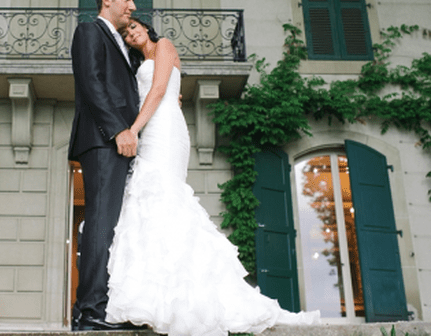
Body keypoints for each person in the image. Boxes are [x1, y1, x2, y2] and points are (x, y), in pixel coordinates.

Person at [105, 17, 321, 336]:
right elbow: (157, 91)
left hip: (163, 129)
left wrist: (133, 130)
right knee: (148, 205)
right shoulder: (139, 63)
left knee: (165, 199)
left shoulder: (163, 46)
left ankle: (182, 298)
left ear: (147, 28)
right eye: (125, 33)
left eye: (134, 27)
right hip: (152, 126)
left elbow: (161, 88)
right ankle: (157, 300)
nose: (131, 33)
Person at [68, 0, 141, 331]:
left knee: (113, 226)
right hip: (103, 141)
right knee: (99, 224)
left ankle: (106, 307)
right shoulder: (89, 32)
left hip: (120, 143)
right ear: (107, 0)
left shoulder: (123, 43)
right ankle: (89, 312)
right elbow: (91, 82)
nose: (132, 6)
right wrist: (117, 129)